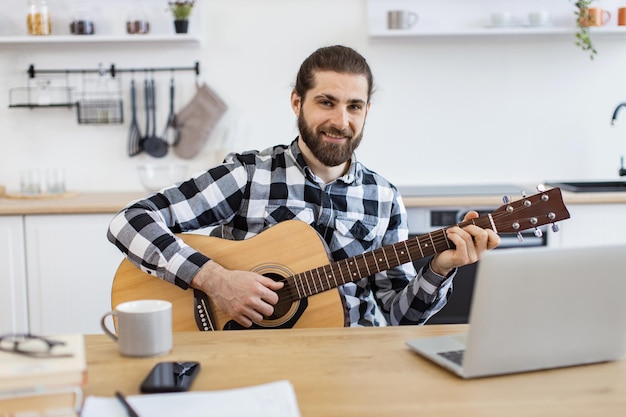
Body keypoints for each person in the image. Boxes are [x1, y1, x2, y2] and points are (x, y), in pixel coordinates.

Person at [107, 45, 500, 329]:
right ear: (297, 102)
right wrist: (216, 279)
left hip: (350, 360)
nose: (340, 121)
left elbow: (400, 317)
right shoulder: (249, 175)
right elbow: (129, 222)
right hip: (248, 353)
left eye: (354, 106)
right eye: (326, 102)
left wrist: (439, 269)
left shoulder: (384, 198)